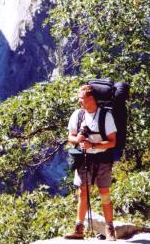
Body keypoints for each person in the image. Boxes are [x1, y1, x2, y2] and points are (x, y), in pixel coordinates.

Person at [64, 85, 117, 241]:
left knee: (104, 193)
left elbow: (112, 142)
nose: (79, 101)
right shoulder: (77, 115)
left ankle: (110, 229)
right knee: (83, 193)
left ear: (91, 99)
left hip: (102, 159)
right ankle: (78, 228)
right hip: (84, 158)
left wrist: (93, 145)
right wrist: (78, 140)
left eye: (82, 98)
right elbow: (70, 138)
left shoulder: (105, 116)